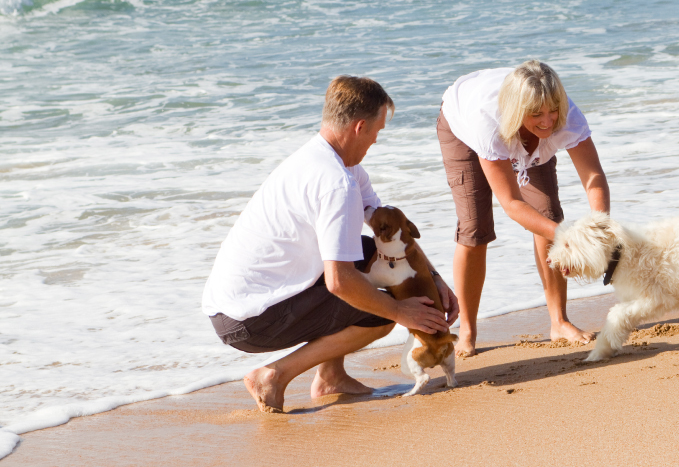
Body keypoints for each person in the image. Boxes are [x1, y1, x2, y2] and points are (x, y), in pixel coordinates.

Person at [202, 76, 459, 413]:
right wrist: (400, 311)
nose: (376, 141)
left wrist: (435, 277)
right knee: (378, 313)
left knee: (368, 252)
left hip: (236, 304)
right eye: (377, 132)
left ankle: (331, 377)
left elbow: (390, 232)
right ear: (360, 127)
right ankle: (273, 376)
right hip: (250, 320)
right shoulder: (337, 183)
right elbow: (339, 282)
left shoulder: (330, 163)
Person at [437, 60, 610, 357]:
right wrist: (568, 237)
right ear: (519, 111)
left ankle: (559, 322)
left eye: (552, 110)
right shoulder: (486, 124)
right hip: (461, 128)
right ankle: (466, 330)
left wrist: (599, 227)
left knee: (548, 215)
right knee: (475, 229)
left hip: (512, 124)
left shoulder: (563, 115)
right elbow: (512, 203)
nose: (547, 121)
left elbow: (593, 176)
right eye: (536, 114)